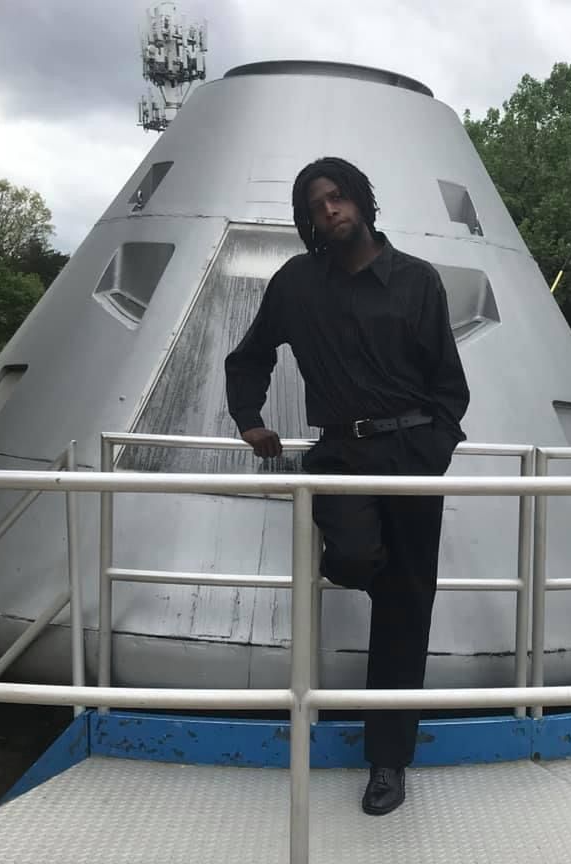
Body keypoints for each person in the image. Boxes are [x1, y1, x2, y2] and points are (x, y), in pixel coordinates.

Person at [225, 157, 469, 815]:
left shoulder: (417, 282)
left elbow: (450, 384)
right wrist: (249, 419)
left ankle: (388, 763)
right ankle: (362, 561)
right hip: (341, 451)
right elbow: (249, 356)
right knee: (358, 558)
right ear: (307, 219)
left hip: (415, 454)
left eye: (337, 197)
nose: (329, 210)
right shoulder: (297, 284)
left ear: (361, 200)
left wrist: (435, 448)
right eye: (315, 204)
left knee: (407, 607)